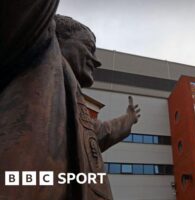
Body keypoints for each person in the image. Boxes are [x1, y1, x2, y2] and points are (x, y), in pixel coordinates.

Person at [0, 2, 140, 199]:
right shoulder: (35, 44)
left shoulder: (72, 100)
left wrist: (129, 118)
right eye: (89, 47)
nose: (96, 60)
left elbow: (101, 133)